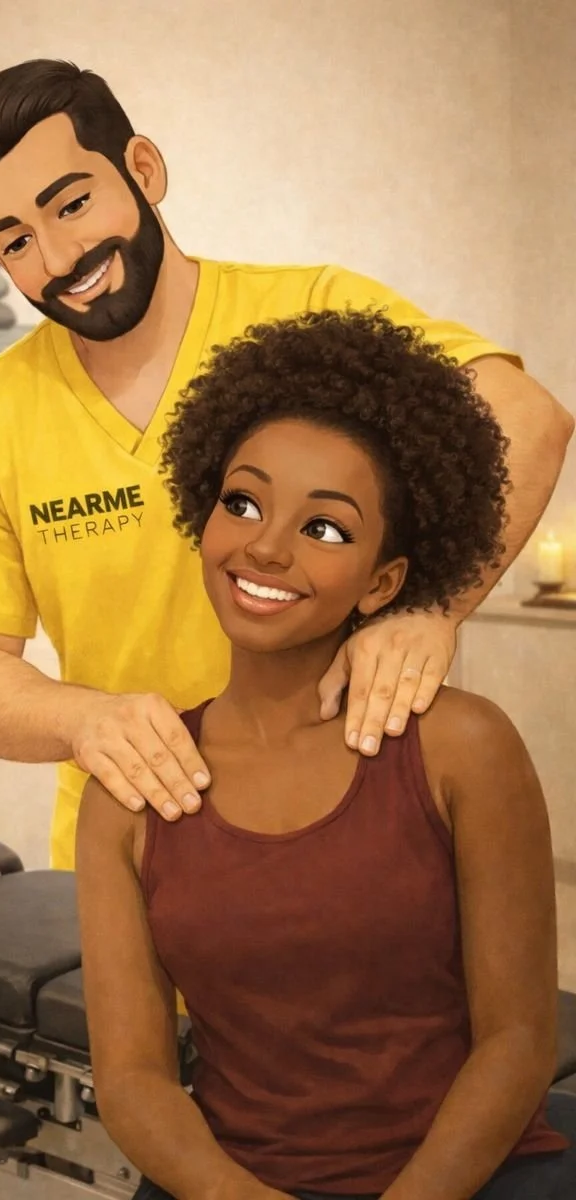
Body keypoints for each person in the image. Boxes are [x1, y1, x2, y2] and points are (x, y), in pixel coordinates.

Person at [0, 59, 573, 871]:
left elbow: (527, 417)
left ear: (142, 171)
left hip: (350, 829)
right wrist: (85, 720)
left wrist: (427, 609)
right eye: (14, 241)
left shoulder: (308, 311)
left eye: (72, 204)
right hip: (137, 849)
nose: (57, 255)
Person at [75, 308, 576, 1200]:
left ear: (384, 580)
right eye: (243, 503)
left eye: (327, 529)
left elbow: (518, 1044)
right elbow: (133, 1079)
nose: (265, 545)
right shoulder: (133, 787)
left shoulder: (464, 747)